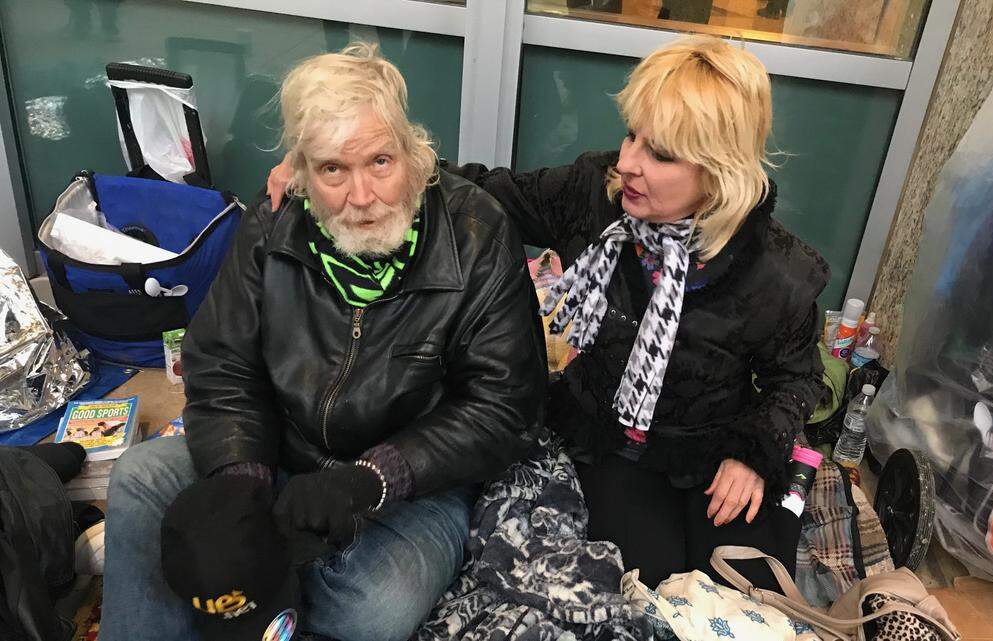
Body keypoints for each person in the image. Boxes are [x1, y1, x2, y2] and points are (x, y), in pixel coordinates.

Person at [270, 35, 828, 590]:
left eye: (659, 154)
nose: (628, 163)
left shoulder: (778, 272)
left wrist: (753, 454)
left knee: (749, 586)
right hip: (606, 437)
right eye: (632, 135)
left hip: (713, 445)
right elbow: (492, 192)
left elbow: (796, 378)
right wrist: (349, 168)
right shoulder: (596, 193)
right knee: (643, 584)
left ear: (718, 169)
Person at [102, 43, 546, 641]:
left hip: (410, 483)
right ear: (303, 172)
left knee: (374, 608)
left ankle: (244, 586)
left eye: (381, 162)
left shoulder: (476, 232)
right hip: (282, 446)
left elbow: (503, 405)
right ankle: (222, 591)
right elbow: (225, 361)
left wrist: (368, 479)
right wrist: (240, 479)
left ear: (414, 154)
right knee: (136, 480)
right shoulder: (274, 221)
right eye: (334, 169)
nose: (361, 196)